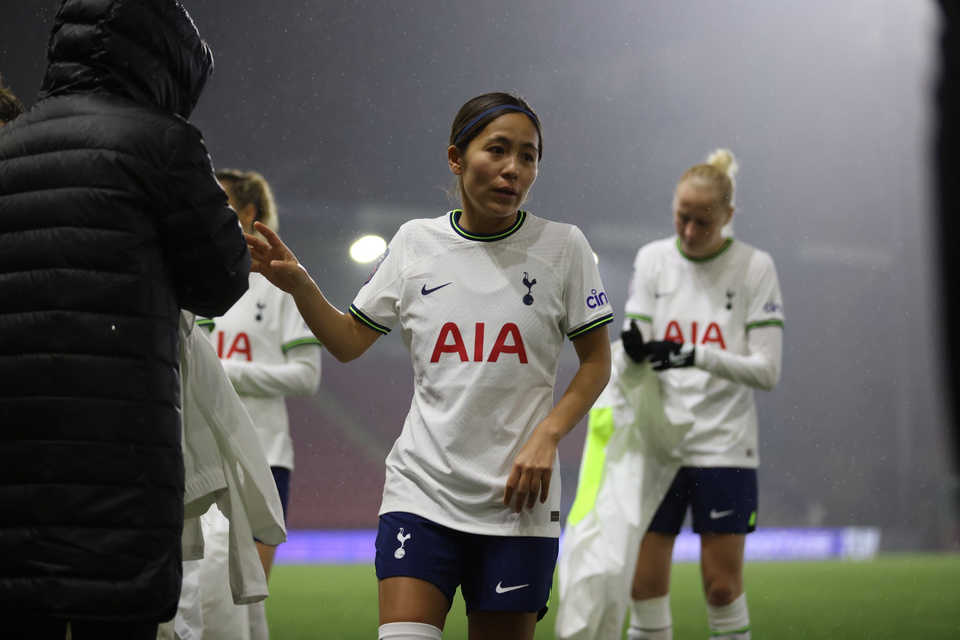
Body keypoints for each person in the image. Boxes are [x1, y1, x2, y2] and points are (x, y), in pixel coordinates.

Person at [245, 92, 613, 640]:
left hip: (517, 507)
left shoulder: (564, 248)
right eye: (498, 150)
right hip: (421, 495)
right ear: (455, 158)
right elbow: (348, 342)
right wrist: (300, 285)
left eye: (529, 156)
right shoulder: (416, 243)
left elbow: (596, 363)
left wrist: (547, 436)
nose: (514, 168)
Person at [0, 0, 250, 637]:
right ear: (162, 59)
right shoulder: (160, 141)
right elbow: (221, 281)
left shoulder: (10, 145)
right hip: (122, 452)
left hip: (19, 450)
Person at [620, 149, 784, 640]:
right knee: (644, 587)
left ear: (729, 217)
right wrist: (629, 347)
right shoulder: (652, 258)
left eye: (704, 222)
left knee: (720, 589)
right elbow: (637, 338)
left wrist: (693, 355)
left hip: (724, 444)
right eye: (681, 218)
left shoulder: (755, 266)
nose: (689, 232)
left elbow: (768, 370)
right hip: (657, 443)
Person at [196, 169, 321, 640]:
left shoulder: (280, 285)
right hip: (204, 453)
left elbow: (307, 377)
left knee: (245, 598)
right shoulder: (202, 282)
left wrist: (228, 373)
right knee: (204, 597)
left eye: (221, 200)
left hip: (264, 457)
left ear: (247, 213)